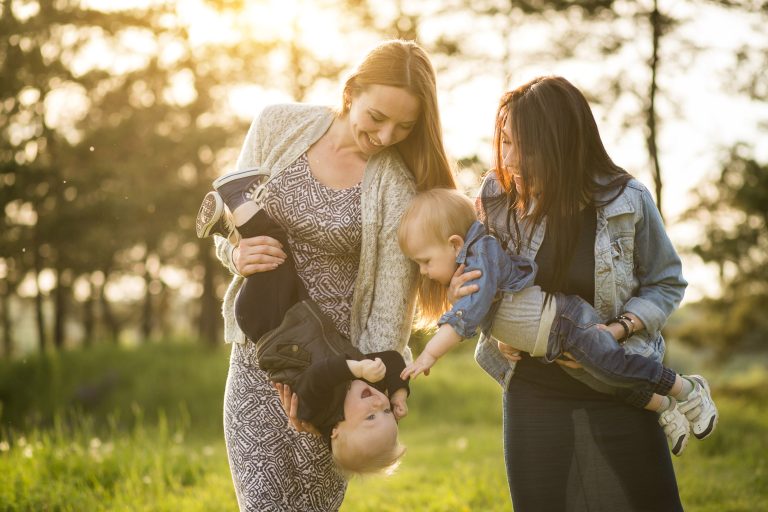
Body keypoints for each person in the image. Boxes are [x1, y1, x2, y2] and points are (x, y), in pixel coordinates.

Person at [210, 39, 455, 511]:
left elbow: (390, 301)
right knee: (260, 503)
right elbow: (228, 213)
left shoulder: (396, 183)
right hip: (262, 355)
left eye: (404, 127)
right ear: (351, 92)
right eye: (377, 117)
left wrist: (365, 392)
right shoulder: (277, 124)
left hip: (338, 372)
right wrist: (236, 255)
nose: (386, 136)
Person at [455, 75, 689, 510]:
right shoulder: (496, 197)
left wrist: (617, 330)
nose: (508, 158)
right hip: (534, 388)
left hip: (621, 383)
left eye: (522, 145)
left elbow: (666, 281)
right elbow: (479, 273)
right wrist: (482, 310)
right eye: (503, 141)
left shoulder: (628, 200)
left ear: (562, 144)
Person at [397, 188, 717, 457]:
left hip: (565, 323)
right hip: (550, 343)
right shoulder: (468, 264)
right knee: (604, 382)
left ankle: (685, 387)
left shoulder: (482, 255)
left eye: (424, 261)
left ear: (455, 244)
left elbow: (469, 314)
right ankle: (664, 407)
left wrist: (430, 354)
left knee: (613, 366)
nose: (423, 272)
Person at [196, 180, 409, 475]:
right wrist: (399, 390)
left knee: (274, 243)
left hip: (267, 320)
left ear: (336, 432)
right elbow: (393, 359)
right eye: (387, 412)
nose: (377, 404)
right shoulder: (365, 384)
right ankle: (226, 228)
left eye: (370, 418)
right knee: (276, 254)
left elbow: (317, 377)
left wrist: (357, 369)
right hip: (295, 310)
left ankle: (234, 193)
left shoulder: (318, 410)